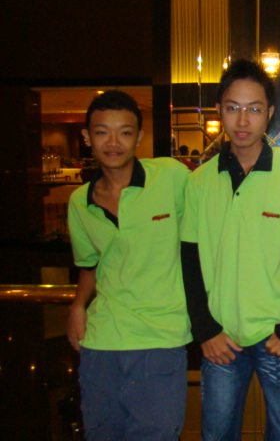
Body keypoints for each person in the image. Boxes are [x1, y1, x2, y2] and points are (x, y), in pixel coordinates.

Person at [180, 59, 280, 441]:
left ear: (270, 113)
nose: (243, 120)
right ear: (219, 110)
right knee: (217, 435)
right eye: (233, 108)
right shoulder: (199, 183)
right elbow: (190, 261)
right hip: (221, 339)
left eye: (254, 109)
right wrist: (205, 329)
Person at [66, 90, 191, 440]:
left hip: (161, 338)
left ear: (139, 137)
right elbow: (91, 264)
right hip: (101, 342)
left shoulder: (171, 176)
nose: (113, 142)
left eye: (124, 132)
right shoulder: (79, 202)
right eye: (102, 132)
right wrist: (78, 305)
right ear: (87, 137)